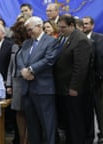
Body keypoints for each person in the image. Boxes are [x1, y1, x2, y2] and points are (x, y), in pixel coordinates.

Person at [16, 16, 58, 144]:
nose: (29, 33)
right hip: (27, 89)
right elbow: (19, 57)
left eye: (30, 29)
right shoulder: (26, 43)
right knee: (32, 125)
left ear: (39, 26)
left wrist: (31, 70)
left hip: (43, 89)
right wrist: (24, 71)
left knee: (47, 124)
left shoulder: (51, 41)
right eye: (27, 30)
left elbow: (49, 60)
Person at [54, 15, 92, 144]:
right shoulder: (62, 37)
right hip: (62, 89)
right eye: (59, 27)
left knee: (76, 122)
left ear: (72, 26)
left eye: (63, 27)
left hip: (73, 90)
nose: (60, 29)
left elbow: (80, 67)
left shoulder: (80, 40)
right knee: (67, 122)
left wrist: (74, 87)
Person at [6, 19, 30, 144]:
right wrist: (9, 84)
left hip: (28, 81)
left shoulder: (31, 45)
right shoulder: (14, 46)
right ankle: (21, 139)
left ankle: (28, 140)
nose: (14, 36)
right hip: (16, 83)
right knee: (19, 112)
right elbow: (11, 66)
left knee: (29, 112)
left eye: (16, 34)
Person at [82, 16, 103, 144]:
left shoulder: (100, 39)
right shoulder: (78, 39)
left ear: (92, 25)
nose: (84, 26)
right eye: (82, 24)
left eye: (86, 24)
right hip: (83, 83)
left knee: (100, 110)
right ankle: (89, 135)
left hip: (98, 81)